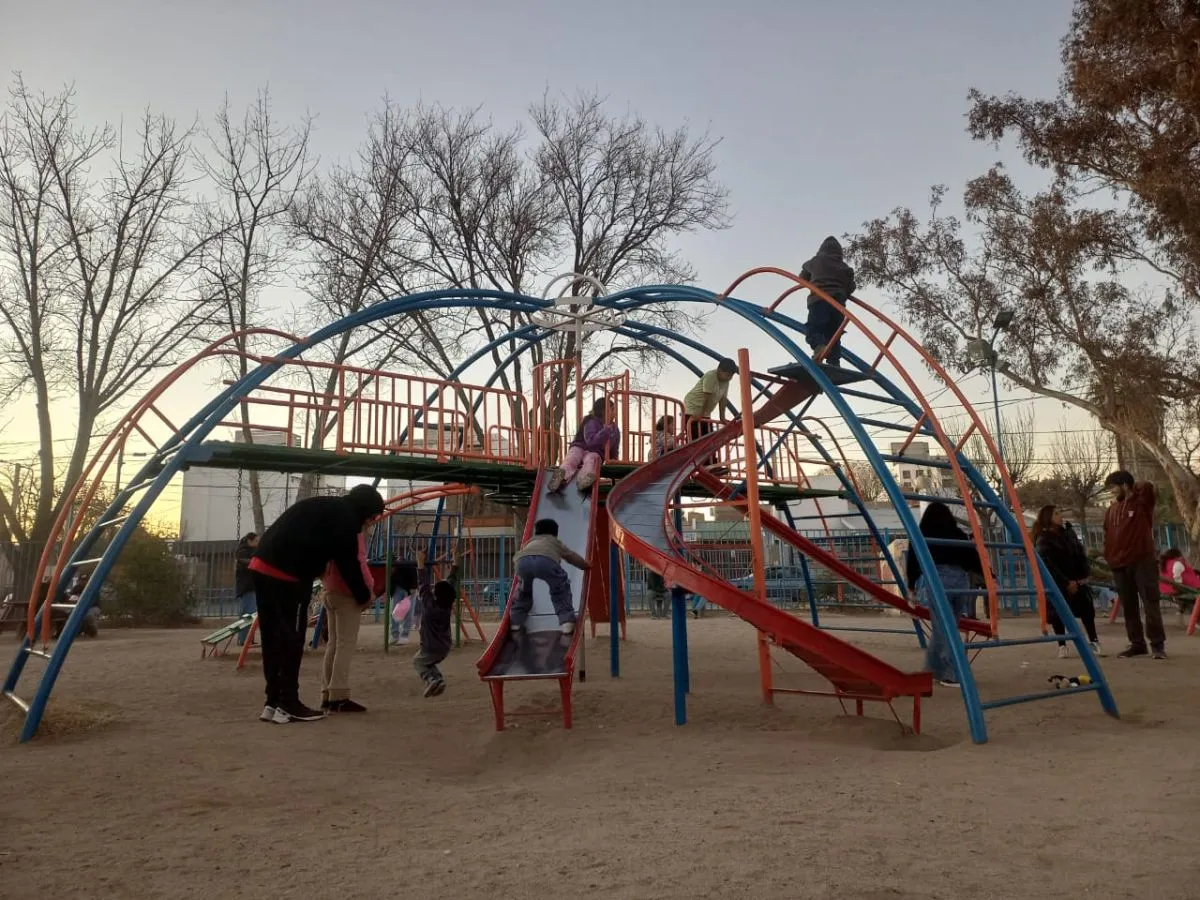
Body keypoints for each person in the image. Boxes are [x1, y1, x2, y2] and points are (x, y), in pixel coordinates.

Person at [249, 484, 385, 724]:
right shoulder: (346, 520)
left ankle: (272, 703)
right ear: (366, 510)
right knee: (292, 638)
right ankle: (288, 703)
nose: (371, 522)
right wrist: (364, 595)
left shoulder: (328, 507)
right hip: (287, 573)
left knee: (273, 638)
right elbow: (349, 563)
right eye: (373, 517)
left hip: (262, 564)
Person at [906, 502, 983, 687]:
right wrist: (989, 575)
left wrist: (911, 586)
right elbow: (973, 558)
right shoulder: (958, 535)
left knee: (945, 629)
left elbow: (913, 561)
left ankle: (952, 674)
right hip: (961, 581)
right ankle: (933, 669)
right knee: (947, 627)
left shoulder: (922, 535)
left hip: (939, 579)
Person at [1103, 471, 1166, 659]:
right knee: (1129, 607)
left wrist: (1131, 486)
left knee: (1150, 603)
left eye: (1114, 487)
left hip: (1142, 562)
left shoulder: (1142, 504)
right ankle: (1137, 644)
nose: (1112, 492)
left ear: (1124, 485)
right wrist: (1109, 556)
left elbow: (1146, 486)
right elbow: (1107, 534)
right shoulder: (1112, 509)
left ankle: (1157, 645)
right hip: (1119, 564)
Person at [1031, 505, 1102, 658]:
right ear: (1048, 517)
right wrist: (1065, 582)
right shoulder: (1043, 539)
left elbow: (1080, 555)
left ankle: (1094, 641)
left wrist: (1085, 575)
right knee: (1058, 614)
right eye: (1056, 513)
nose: (1060, 516)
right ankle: (1062, 645)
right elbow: (1048, 564)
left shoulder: (1069, 533)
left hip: (1077, 580)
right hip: (1058, 582)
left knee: (1087, 610)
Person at [318, 529, 376, 713]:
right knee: (345, 644)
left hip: (329, 589)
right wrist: (369, 589)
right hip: (346, 594)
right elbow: (359, 563)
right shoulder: (353, 533)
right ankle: (339, 695)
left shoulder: (331, 533)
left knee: (333, 644)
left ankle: (327, 693)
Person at [511, 518, 591, 634]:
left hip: (522, 562)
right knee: (560, 588)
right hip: (545, 561)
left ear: (536, 532)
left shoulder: (529, 542)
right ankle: (566, 621)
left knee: (523, 591)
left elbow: (525, 553)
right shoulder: (555, 542)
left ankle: (515, 622)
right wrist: (584, 565)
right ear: (555, 533)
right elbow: (570, 556)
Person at [799, 236, 856, 366]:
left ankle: (818, 345)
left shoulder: (816, 261)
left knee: (815, 327)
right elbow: (851, 286)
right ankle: (834, 360)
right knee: (834, 334)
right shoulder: (844, 267)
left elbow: (802, 278)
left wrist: (814, 280)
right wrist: (842, 291)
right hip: (838, 304)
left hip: (819, 299)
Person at [547, 397, 620, 494]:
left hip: (595, 453)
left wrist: (613, 462)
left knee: (592, 460)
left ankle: (584, 480)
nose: (615, 412)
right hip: (581, 446)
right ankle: (561, 476)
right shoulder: (591, 421)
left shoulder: (614, 430)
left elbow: (614, 449)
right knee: (572, 459)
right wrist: (605, 431)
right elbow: (591, 442)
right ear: (603, 411)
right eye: (612, 409)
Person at [682, 358, 737, 468]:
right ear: (719, 370)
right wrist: (700, 415)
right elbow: (706, 397)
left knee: (709, 439)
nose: (729, 378)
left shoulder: (726, 382)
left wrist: (722, 417)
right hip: (693, 408)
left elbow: (723, 400)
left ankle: (712, 465)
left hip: (704, 412)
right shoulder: (711, 376)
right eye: (727, 374)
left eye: (731, 375)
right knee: (696, 437)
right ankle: (698, 465)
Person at [413, 579, 456, 697]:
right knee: (429, 663)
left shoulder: (429, 606)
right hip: (444, 647)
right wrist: (455, 566)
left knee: (418, 661)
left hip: (430, 646)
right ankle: (439, 680)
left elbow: (424, 586)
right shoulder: (448, 606)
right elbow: (451, 585)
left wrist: (421, 566)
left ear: (436, 595)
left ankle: (432, 680)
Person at [1158, 548, 1200, 626]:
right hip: (1180, 589)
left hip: (1167, 589)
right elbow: (1177, 580)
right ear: (1177, 556)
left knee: (1189, 598)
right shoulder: (1177, 564)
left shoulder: (1164, 564)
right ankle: (1194, 618)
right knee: (1192, 597)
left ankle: (1181, 612)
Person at [234, 532, 259, 646]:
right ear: (249, 541)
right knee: (248, 614)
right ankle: (243, 639)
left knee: (251, 614)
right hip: (246, 588)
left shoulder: (248, 552)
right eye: (256, 541)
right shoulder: (243, 552)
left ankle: (247, 639)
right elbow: (249, 562)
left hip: (250, 587)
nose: (257, 543)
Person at [389, 558, 421, 645]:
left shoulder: (405, 566)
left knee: (404, 613)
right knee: (397, 612)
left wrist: (413, 587)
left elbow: (414, 575)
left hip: (407, 589)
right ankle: (400, 635)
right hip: (403, 588)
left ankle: (401, 635)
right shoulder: (397, 567)